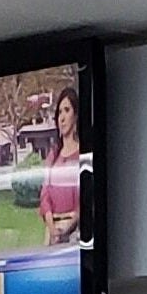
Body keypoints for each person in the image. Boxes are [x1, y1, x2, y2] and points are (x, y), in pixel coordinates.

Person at [38, 84, 86, 247]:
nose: (62, 118)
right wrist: (52, 227)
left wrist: (68, 226)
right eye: (59, 112)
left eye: (67, 110)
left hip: (76, 233)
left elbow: (85, 198)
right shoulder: (53, 155)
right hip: (52, 233)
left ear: (76, 115)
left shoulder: (83, 155)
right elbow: (45, 195)